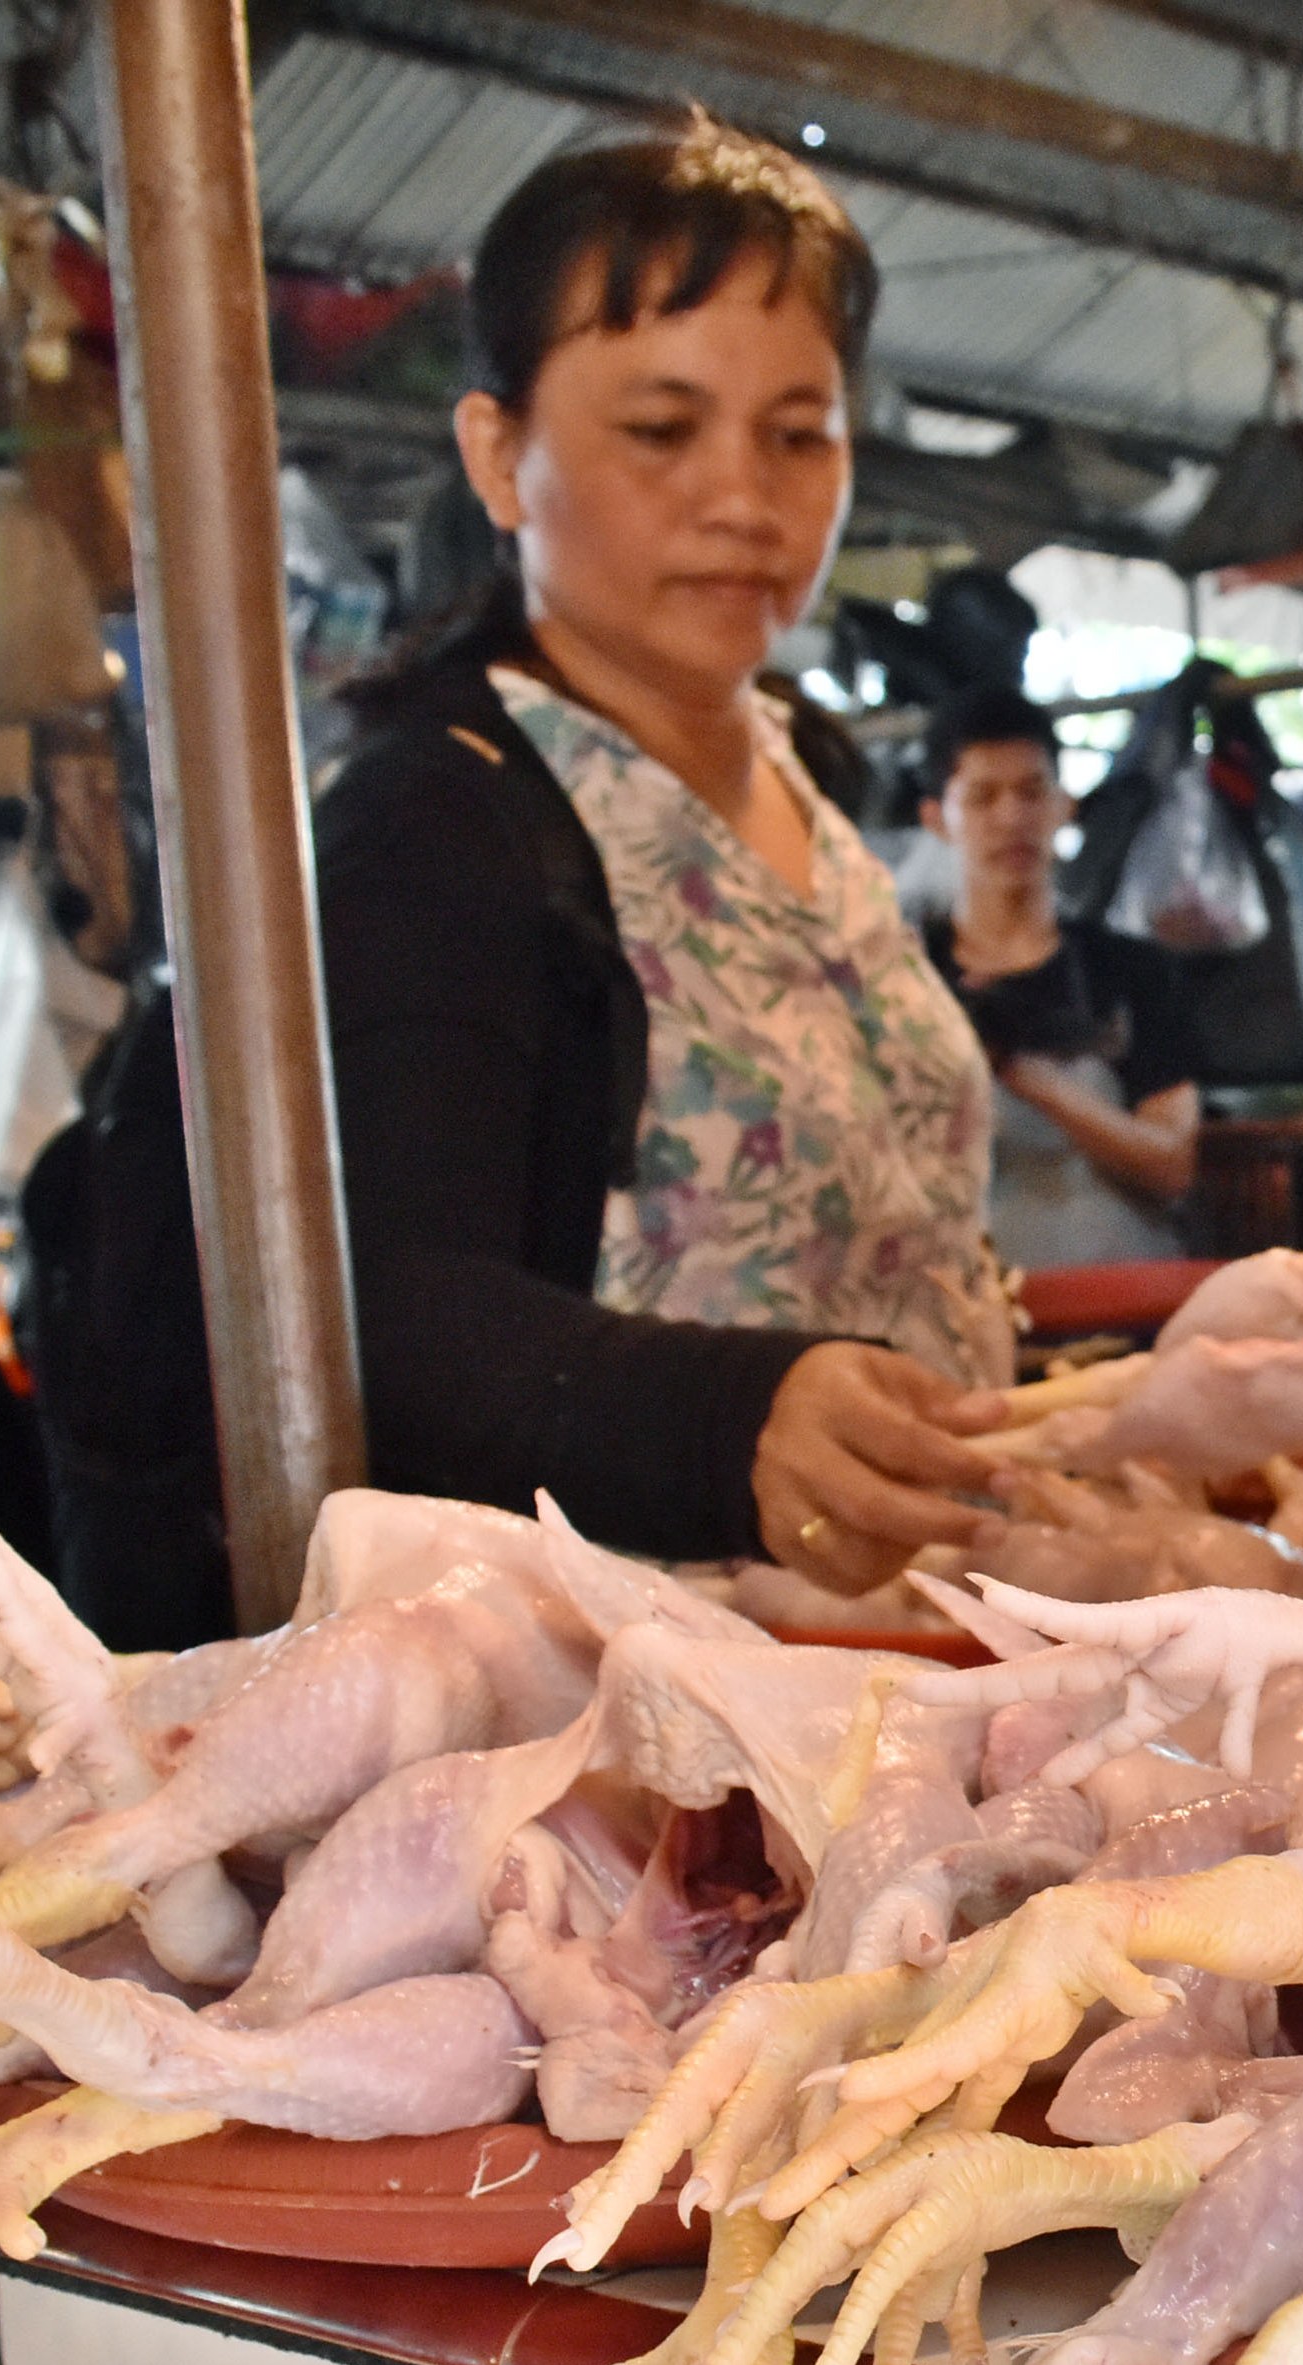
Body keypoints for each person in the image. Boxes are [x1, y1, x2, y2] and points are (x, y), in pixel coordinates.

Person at [312, 117, 1015, 1593]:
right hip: (634, 1713)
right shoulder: (437, 822)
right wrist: (725, 1421)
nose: (742, 500)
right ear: (497, 454)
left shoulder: (808, 775)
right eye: (660, 429)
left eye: (797, 433)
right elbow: (390, 1310)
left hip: (922, 1654)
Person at [913, 683, 1205, 1266]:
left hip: (1120, 1301)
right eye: (982, 797)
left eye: (1031, 791)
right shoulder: (907, 974)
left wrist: (1021, 1071)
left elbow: (1171, 1165)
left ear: (1064, 805)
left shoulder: (1131, 971)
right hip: (963, 1311)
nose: (1012, 817)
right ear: (937, 818)